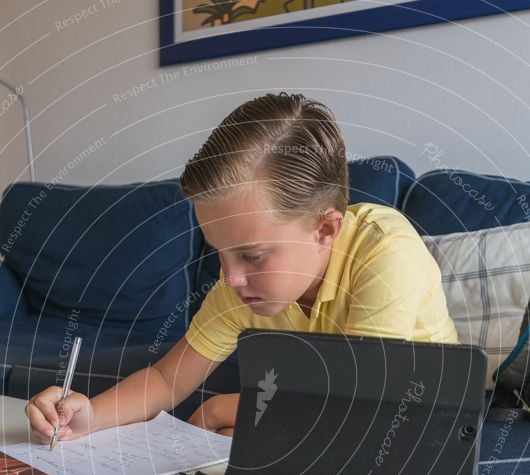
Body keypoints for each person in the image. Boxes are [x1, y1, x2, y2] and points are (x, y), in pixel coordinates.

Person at [25, 92, 458, 443]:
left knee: (234, 431)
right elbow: (167, 378)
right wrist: (91, 415)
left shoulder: (385, 251)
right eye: (219, 252)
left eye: (251, 255)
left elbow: (356, 408)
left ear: (325, 229)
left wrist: (220, 407)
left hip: (417, 423)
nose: (231, 278)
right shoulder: (242, 284)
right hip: (334, 413)